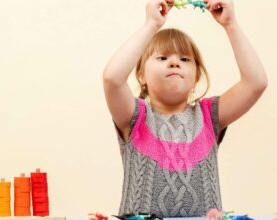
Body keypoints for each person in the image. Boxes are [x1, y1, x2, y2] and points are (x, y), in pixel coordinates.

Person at [102, 0, 268, 217]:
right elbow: (112, 78)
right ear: (141, 74)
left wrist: (231, 25)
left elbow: (256, 83)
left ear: (196, 75)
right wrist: (151, 25)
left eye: (184, 59)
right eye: (162, 57)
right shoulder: (134, 116)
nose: (174, 63)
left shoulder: (210, 115)